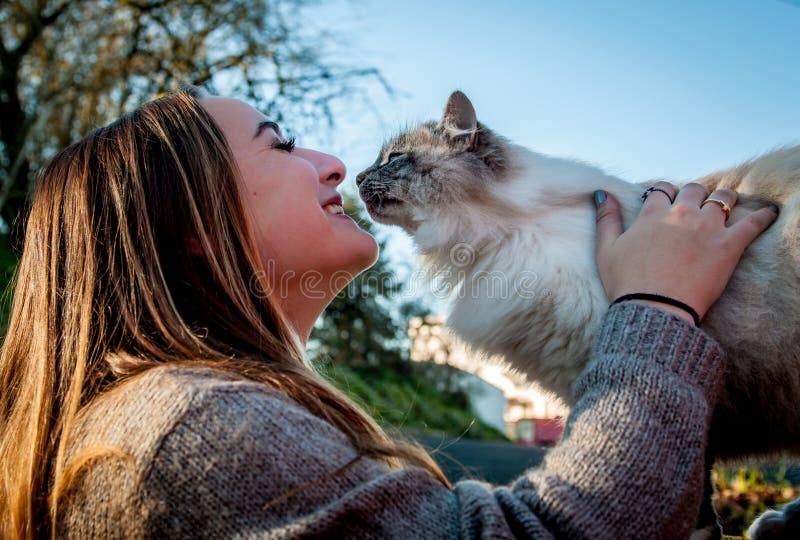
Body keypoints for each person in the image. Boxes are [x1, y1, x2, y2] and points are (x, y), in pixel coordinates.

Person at [0, 86, 779, 539]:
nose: (336, 163)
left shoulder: (182, 412)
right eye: (280, 145)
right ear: (193, 229)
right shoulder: (185, 430)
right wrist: (657, 305)